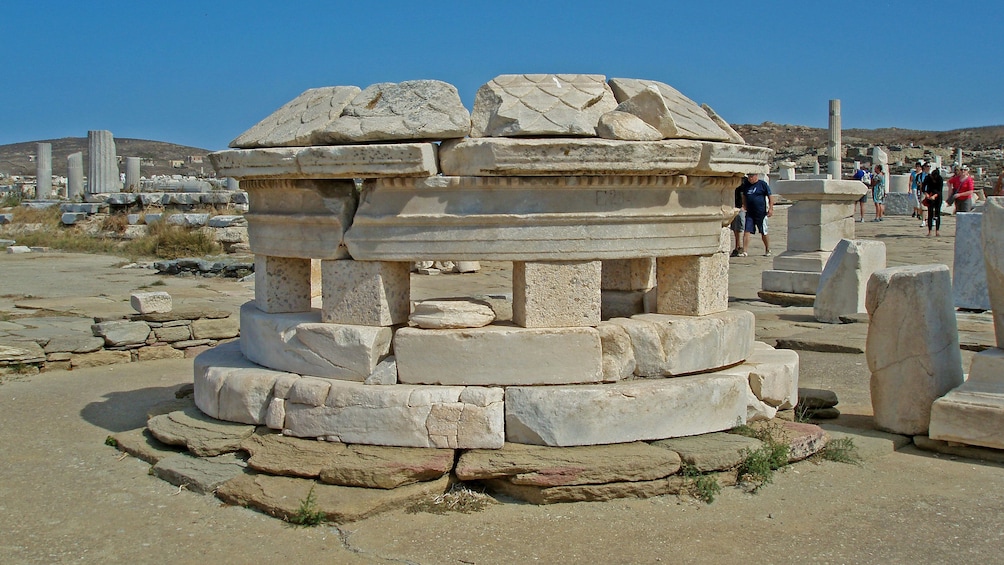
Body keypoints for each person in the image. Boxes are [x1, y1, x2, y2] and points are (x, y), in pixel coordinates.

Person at [739, 172, 774, 257]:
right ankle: (745, 250)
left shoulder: (762, 184)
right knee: (747, 231)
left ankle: (767, 249)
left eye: (751, 176)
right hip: (750, 212)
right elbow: (744, 195)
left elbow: (770, 196)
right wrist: (744, 204)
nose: (750, 178)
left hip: (761, 212)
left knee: (763, 231)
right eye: (749, 177)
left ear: (756, 176)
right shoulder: (746, 185)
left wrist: (771, 208)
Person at [730, 176, 749, 257]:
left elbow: (744, 194)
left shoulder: (745, 181)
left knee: (742, 227)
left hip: (741, 207)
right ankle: (737, 246)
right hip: (733, 205)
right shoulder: (733, 179)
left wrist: (744, 205)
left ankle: (742, 247)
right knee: (735, 227)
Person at [923, 166, 944, 236]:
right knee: (930, 213)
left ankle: (937, 230)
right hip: (929, 195)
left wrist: (934, 196)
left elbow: (940, 190)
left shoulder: (940, 179)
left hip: (937, 197)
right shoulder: (928, 178)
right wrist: (926, 194)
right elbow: (923, 187)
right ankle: (930, 231)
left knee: (937, 213)